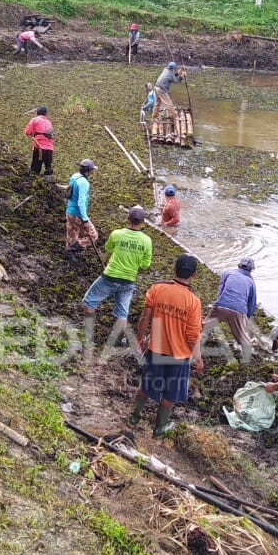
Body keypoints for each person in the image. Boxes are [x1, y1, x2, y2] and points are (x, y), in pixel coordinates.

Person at [130, 254, 203, 437]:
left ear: (174, 269)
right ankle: (159, 427)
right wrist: (198, 358)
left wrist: (139, 338)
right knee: (170, 393)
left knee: (146, 385)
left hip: (156, 350)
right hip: (179, 356)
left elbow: (145, 317)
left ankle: (135, 417)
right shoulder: (193, 301)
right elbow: (192, 334)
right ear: (193, 275)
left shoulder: (157, 289)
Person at [82, 206, 153, 339]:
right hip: (128, 281)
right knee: (122, 312)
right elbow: (145, 265)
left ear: (127, 219)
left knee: (90, 301)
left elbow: (108, 248)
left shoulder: (117, 234)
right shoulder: (147, 241)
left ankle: (88, 331)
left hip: (110, 276)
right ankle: (119, 339)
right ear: (143, 222)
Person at [201, 257, 257, 361]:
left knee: (204, 327)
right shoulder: (251, 282)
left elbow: (221, 291)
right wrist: (246, 316)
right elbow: (251, 302)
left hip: (221, 305)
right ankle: (246, 358)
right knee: (243, 338)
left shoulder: (227, 272)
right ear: (251, 270)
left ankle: (194, 343)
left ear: (239, 265)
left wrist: (216, 306)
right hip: (239, 310)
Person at [64, 159, 98, 260]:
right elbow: (81, 202)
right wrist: (85, 219)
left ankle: (70, 259)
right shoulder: (84, 183)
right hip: (78, 214)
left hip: (69, 212)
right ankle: (71, 251)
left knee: (72, 234)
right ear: (88, 170)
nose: (92, 172)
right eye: (92, 170)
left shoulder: (74, 176)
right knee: (93, 235)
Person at [24, 106, 55, 177]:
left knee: (35, 167)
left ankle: (33, 182)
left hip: (39, 147)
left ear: (37, 113)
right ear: (45, 114)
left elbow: (28, 132)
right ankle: (49, 183)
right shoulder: (49, 122)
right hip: (49, 148)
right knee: (48, 168)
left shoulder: (34, 120)